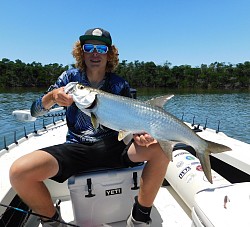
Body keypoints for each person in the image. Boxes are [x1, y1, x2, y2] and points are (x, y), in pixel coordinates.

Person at [9, 28, 170, 227]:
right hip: (76, 148)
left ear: (109, 54)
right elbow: (35, 111)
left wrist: (141, 135)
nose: (95, 53)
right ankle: (53, 222)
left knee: (162, 150)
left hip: (115, 146)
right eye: (89, 47)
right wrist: (52, 97)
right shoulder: (69, 79)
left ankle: (140, 217)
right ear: (82, 52)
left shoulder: (119, 84)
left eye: (101, 48)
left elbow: (132, 122)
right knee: (19, 172)